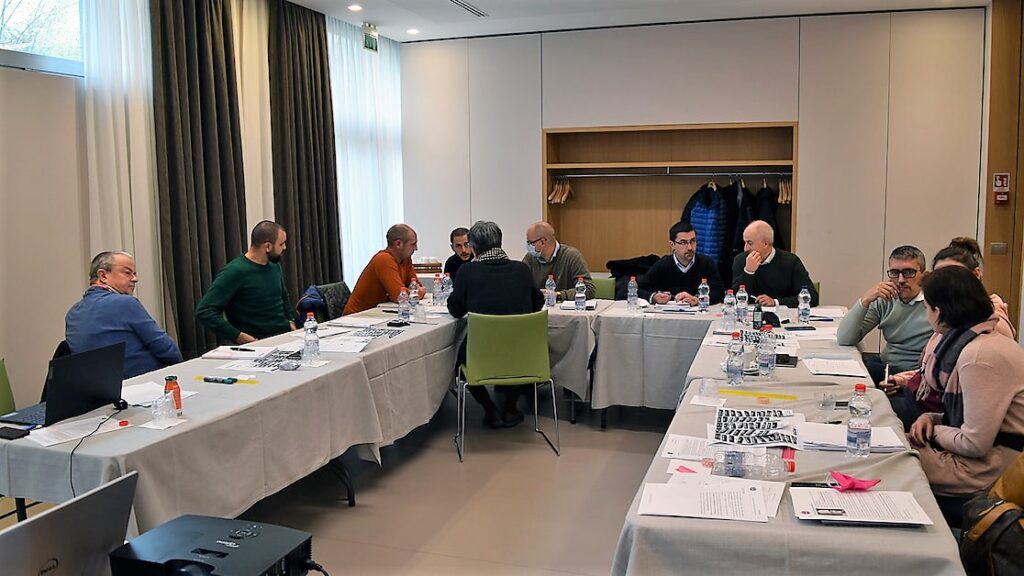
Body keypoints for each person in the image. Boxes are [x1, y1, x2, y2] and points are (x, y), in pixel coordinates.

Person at [907, 265, 1024, 527]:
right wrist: (932, 419)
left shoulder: (978, 356)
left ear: (939, 311)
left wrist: (935, 432)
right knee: (891, 448)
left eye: (926, 308)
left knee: (894, 460)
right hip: (992, 455)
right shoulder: (985, 340)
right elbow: (977, 418)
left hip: (989, 468)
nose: (926, 315)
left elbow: (974, 443)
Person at [883, 239, 1016, 430]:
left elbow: (973, 429)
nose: (944, 283)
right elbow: (933, 370)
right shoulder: (952, 318)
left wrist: (933, 431)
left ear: (975, 275)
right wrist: (903, 380)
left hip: (944, 415)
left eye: (953, 274)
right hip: (929, 403)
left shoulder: (989, 327)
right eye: (940, 275)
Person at [448, 221, 544, 428]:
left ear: (473, 247)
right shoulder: (522, 270)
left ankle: (490, 410)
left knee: (458, 363)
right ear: (500, 242)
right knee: (517, 354)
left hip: (480, 355)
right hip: (523, 355)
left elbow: (456, 310)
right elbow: (538, 303)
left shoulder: (466, 272)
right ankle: (510, 408)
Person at [66, 252, 183, 379]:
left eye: (134, 273)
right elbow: (167, 349)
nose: (135, 279)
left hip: (100, 388)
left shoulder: (72, 314)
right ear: (103, 275)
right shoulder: (125, 303)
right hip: (144, 383)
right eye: (127, 273)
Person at [836, 245, 932, 383]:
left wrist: (907, 380)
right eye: (894, 273)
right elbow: (845, 339)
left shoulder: (934, 303)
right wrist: (865, 300)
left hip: (918, 373)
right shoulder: (885, 299)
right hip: (886, 366)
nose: (901, 280)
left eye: (908, 272)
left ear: (924, 275)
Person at [196, 221, 294, 344]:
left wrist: (291, 320)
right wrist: (237, 335)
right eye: (281, 244)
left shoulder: (274, 266)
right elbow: (205, 311)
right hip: (257, 343)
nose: (284, 248)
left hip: (284, 337)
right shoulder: (234, 271)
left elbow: (283, 296)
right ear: (268, 246)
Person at [731, 220, 818, 307]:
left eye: (750, 243)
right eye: (745, 242)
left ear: (765, 244)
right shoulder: (741, 260)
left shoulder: (790, 261)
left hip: (784, 313)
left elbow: (812, 297)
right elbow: (734, 298)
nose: (745, 248)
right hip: (751, 313)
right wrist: (748, 272)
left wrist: (775, 302)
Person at [343, 223, 426, 315]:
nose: (416, 248)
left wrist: (415, 292)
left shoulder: (406, 259)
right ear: (398, 244)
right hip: (357, 316)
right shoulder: (384, 259)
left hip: (378, 313)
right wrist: (417, 292)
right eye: (413, 244)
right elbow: (400, 296)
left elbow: (415, 286)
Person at [638, 221, 724, 305]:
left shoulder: (707, 263)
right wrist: (653, 297)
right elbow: (639, 289)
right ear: (672, 245)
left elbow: (719, 293)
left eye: (693, 241)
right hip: (670, 313)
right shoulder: (663, 265)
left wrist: (698, 300)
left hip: (699, 312)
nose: (690, 247)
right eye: (683, 243)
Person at [522, 221, 594, 302]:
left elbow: (588, 289)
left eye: (530, 243)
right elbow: (520, 285)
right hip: (539, 307)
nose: (528, 246)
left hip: (567, 308)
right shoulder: (530, 258)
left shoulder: (571, 256)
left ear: (542, 242)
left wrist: (558, 295)